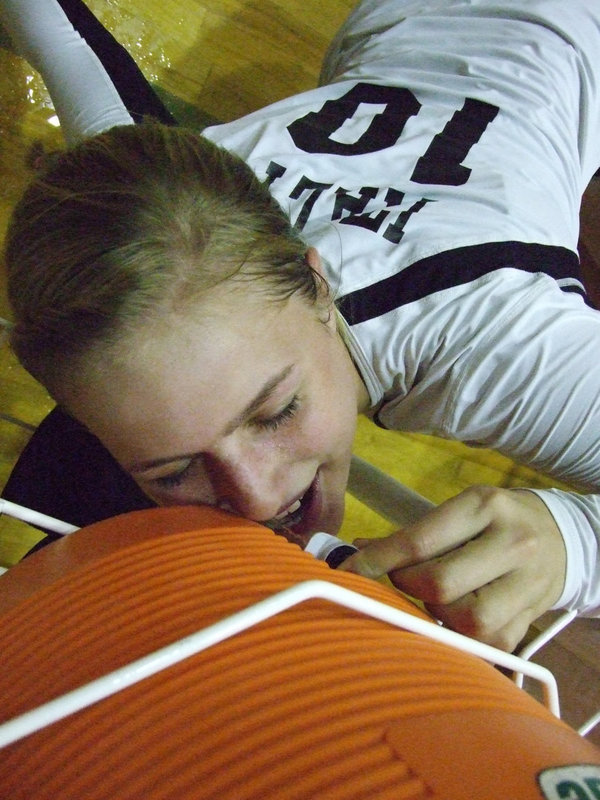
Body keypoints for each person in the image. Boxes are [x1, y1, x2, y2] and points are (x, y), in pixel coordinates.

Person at [2, 0, 600, 652]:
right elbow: (59, 32)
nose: (257, 499)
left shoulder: (489, 342)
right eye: (174, 471)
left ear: (320, 290)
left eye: (277, 411)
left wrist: (573, 544)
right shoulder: (153, 200)